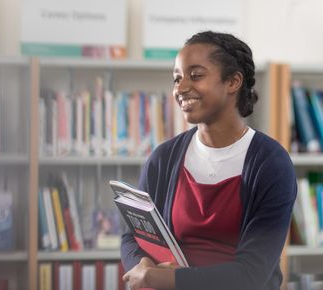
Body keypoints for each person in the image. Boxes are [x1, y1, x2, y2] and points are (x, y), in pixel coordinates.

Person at [120, 31, 297, 290]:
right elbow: (132, 236)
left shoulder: (271, 164)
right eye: (177, 78)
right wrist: (142, 265)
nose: (180, 88)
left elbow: (251, 275)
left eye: (196, 75)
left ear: (233, 82)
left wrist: (162, 278)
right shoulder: (164, 158)